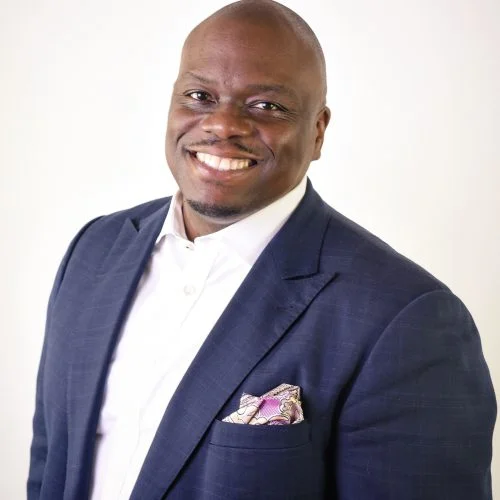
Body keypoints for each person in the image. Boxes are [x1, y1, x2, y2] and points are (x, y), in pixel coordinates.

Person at [28, 1, 496, 499]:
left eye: (267, 106)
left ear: (317, 131)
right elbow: (50, 466)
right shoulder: (94, 252)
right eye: (200, 96)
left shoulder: (405, 319)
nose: (222, 124)